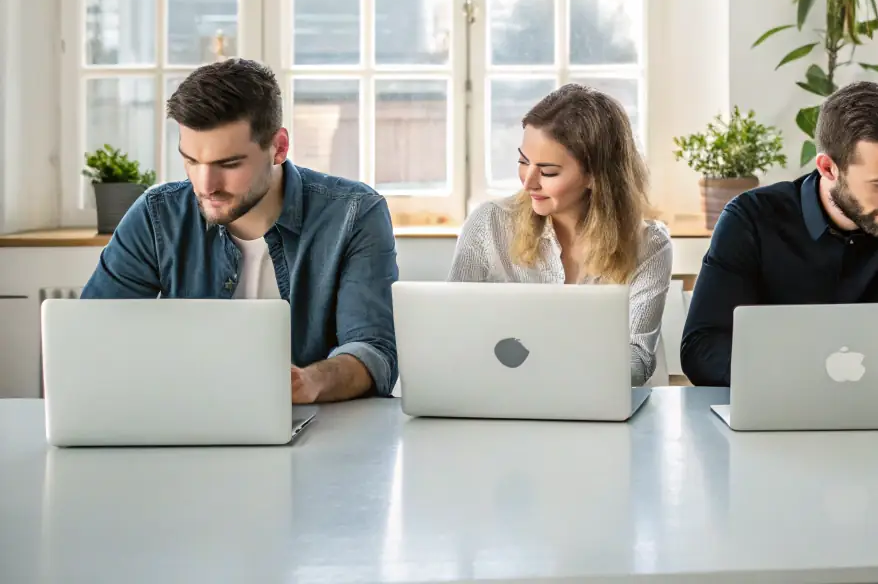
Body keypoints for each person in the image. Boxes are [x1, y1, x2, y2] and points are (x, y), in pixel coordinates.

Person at [81, 58, 400, 404]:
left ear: (278, 148)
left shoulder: (354, 213)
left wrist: (312, 381)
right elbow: (91, 335)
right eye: (191, 160)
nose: (206, 186)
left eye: (229, 164)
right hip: (184, 424)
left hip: (320, 432)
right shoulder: (157, 215)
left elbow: (374, 351)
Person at [681, 80, 878, 387]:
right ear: (828, 168)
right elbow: (701, 350)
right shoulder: (751, 219)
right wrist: (815, 376)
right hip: (780, 417)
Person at [449, 83, 672, 387]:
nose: (528, 183)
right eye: (522, 161)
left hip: (599, 412)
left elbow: (637, 359)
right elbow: (453, 334)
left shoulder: (649, 245)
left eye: (548, 171)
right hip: (502, 402)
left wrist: (546, 372)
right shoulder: (489, 225)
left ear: (595, 176)